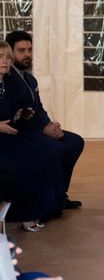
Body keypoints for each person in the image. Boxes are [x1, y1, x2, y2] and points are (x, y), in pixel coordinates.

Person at [5, 31, 84, 210]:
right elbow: (18, 115)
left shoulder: (29, 78)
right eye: (21, 50)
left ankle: (60, 195)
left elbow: (38, 108)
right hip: (23, 133)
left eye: (30, 50)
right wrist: (43, 130)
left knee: (74, 142)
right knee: (55, 149)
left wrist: (50, 125)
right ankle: (49, 203)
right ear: (11, 53)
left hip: (39, 128)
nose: (27, 54)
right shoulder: (8, 80)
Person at [0, 42, 66, 232]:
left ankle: (46, 208)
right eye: (0, 57)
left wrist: (22, 116)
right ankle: (24, 215)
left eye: (7, 58)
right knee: (25, 161)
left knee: (43, 154)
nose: (4, 61)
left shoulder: (9, 84)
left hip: (12, 136)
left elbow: (25, 108)